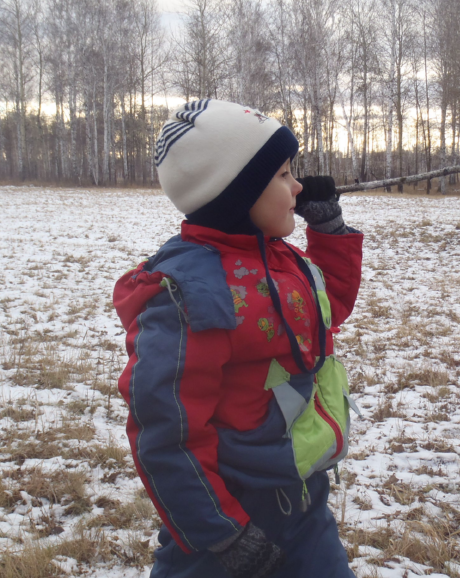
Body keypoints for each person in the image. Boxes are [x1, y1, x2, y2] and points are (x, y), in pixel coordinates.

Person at [113, 99, 363, 578]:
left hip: (304, 501)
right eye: (283, 175)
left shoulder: (280, 259)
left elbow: (325, 310)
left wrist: (328, 229)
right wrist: (223, 533)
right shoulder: (189, 294)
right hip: (226, 522)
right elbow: (165, 430)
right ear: (238, 190)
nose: (298, 186)